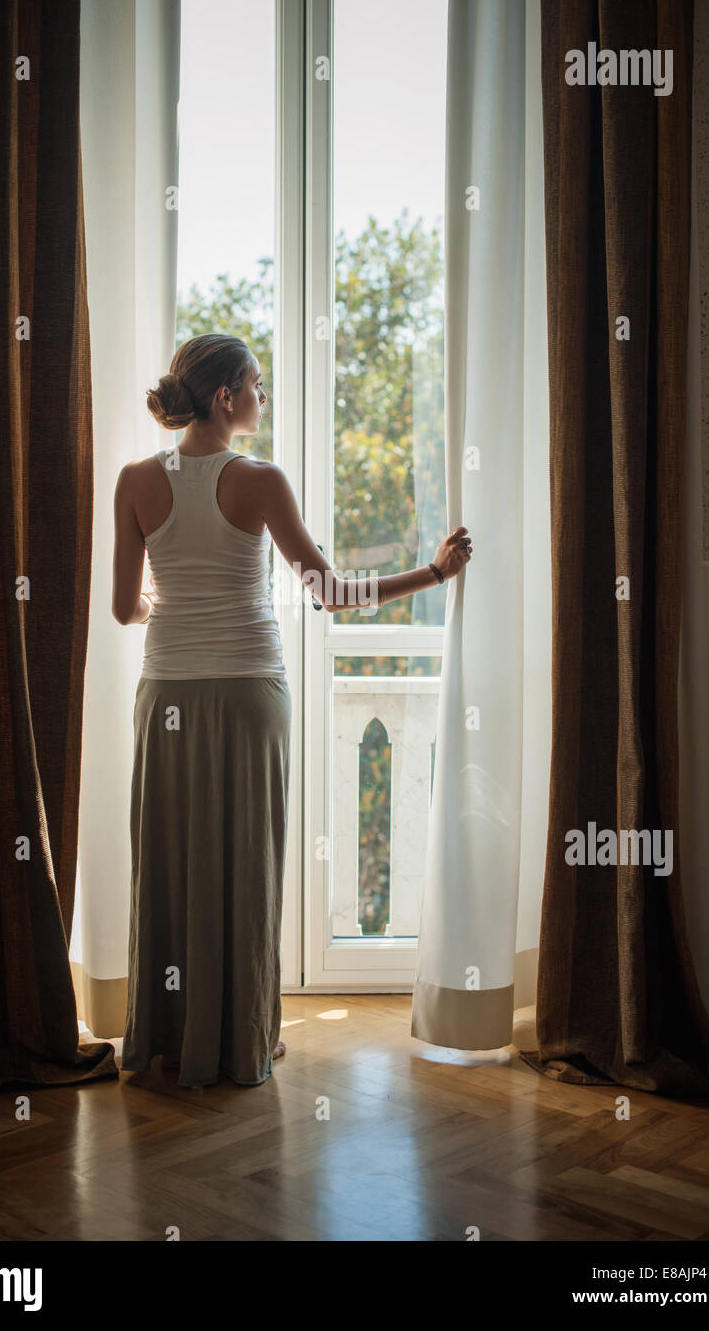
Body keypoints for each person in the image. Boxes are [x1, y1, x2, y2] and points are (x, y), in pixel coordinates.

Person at [112, 332, 472, 1087]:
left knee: (169, 859)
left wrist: (167, 610)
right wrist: (433, 575)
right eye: (257, 386)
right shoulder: (260, 479)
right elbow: (332, 592)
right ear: (225, 398)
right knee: (245, 859)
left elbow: (124, 609)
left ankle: (171, 1041)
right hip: (247, 691)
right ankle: (240, 1037)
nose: (263, 399)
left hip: (167, 690)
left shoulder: (136, 480)